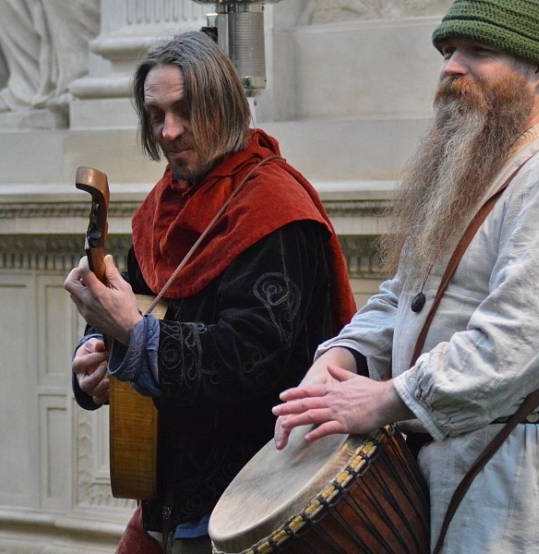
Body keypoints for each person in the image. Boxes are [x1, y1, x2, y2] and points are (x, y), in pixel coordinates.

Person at [272, 1, 539, 552]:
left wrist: (387, 399)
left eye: (477, 52)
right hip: (441, 453)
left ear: (538, 69)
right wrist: (339, 360)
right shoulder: (472, 167)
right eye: (447, 52)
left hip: (513, 477)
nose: (451, 67)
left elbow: (520, 341)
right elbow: (403, 298)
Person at [63, 31, 356, 554]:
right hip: (167, 497)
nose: (170, 132)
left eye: (185, 111)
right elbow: (141, 306)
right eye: (156, 115)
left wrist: (132, 332)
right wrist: (94, 353)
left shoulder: (275, 210)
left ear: (224, 106)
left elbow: (252, 359)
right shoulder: (162, 208)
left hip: (252, 502)